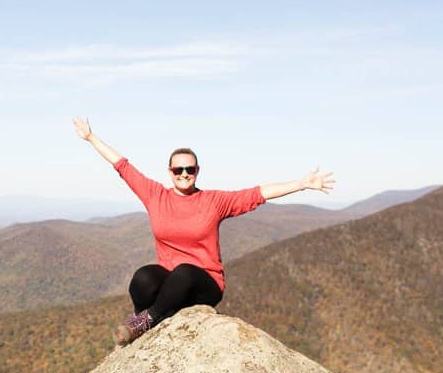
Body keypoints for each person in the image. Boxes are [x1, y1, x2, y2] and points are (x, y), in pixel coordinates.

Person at [72, 117, 335, 345]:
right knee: (143, 277)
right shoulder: (155, 196)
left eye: (190, 169)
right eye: (179, 169)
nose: (184, 173)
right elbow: (123, 167)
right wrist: (91, 138)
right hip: (170, 283)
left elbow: (258, 194)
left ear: (197, 171)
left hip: (203, 285)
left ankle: (147, 321)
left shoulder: (213, 201)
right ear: (170, 171)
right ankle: (143, 317)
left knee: (184, 273)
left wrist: (301, 184)